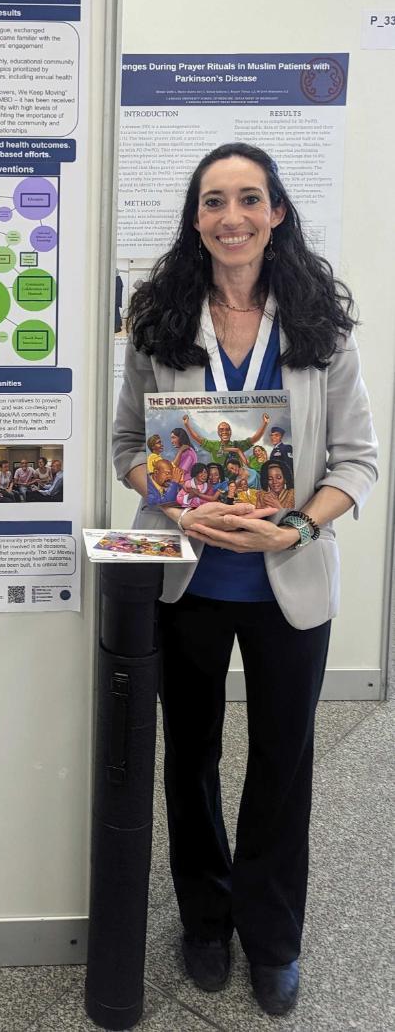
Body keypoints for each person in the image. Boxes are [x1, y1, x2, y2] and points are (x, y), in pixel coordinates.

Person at [112, 143, 377, 1016]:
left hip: (287, 585)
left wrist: (299, 521)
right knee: (188, 758)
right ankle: (202, 918)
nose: (232, 215)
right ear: (195, 219)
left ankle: (270, 935)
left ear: (276, 214)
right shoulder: (157, 324)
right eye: (214, 200)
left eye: (249, 199)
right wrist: (177, 506)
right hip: (188, 580)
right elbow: (127, 450)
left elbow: (358, 462)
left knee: (281, 762)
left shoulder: (318, 330)